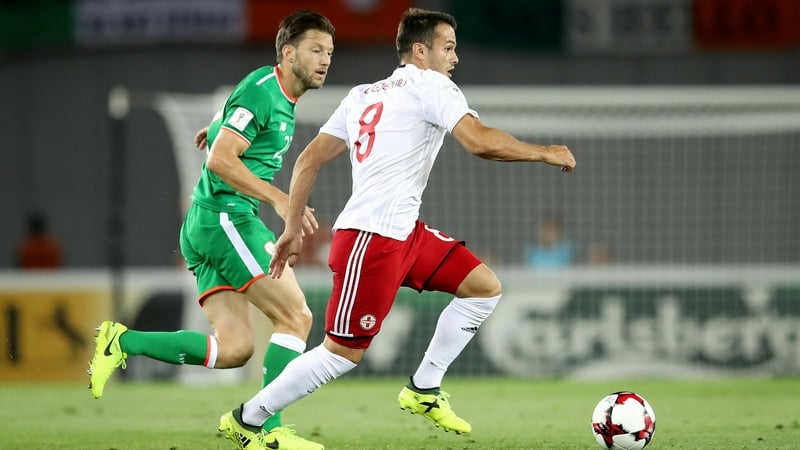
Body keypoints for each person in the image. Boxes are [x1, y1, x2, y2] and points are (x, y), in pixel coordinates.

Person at [215, 8, 576, 449]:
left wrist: (291, 225)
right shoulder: (432, 86)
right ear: (420, 52)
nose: (455, 57)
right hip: (371, 239)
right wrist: (544, 152)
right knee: (341, 354)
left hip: (405, 233)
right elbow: (479, 142)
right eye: (448, 47)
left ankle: (424, 388)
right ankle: (248, 419)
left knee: (484, 288)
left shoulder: (363, 94)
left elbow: (309, 159)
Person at [88, 10, 335, 450]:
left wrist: (216, 128)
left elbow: (230, 126)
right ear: (288, 52)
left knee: (235, 348)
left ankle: (122, 341)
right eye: (316, 50)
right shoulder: (265, 91)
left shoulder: (271, 90)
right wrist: (280, 199)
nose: (325, 59)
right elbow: (221, 160)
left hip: (207, 224)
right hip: (227, 218)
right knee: (296, 316)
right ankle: (264, 430)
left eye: (329, 52)